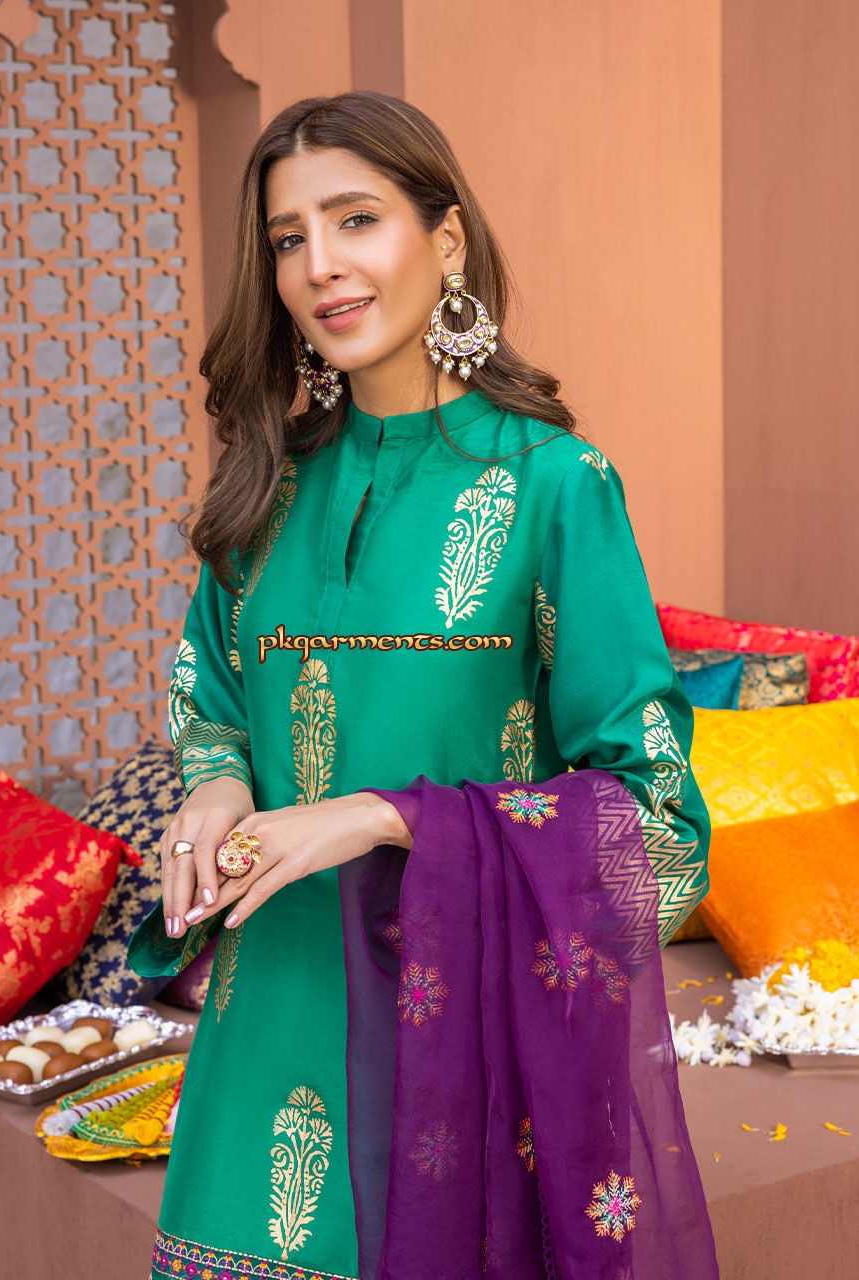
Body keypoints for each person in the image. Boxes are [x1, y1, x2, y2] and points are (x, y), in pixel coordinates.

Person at [129, 91, 718, 1279]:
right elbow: (213, 705)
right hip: (256, 1054)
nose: (319, 265)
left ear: (445, 240)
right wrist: (216, 786)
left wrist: (386, 815)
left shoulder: (555, 484)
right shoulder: (264, 493)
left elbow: (659, 838)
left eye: (355, 219)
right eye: (289, 237)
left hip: (459, 1069)